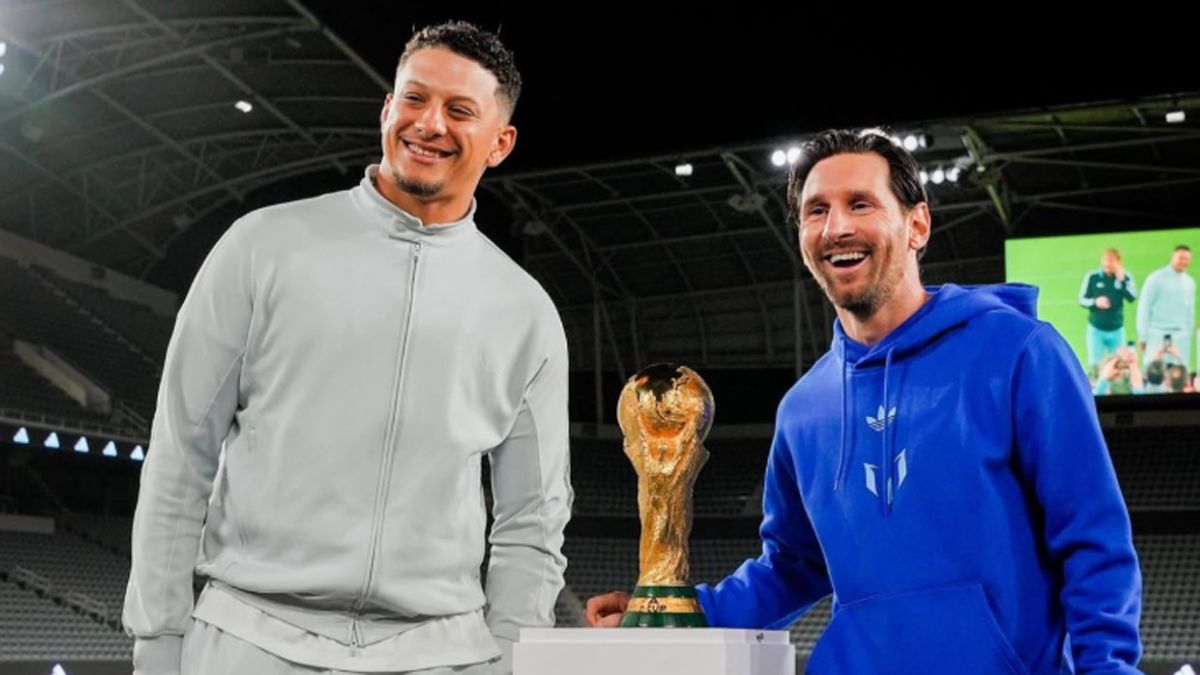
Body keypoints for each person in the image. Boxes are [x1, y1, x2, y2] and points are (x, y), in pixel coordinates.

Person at [586, 129, 1142, 673]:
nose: (837, 227)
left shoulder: (1019, 353)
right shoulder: (804, 409)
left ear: (916, 224)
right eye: (816, 210)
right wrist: (682, 610)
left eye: (860, 204)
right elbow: (795, 565)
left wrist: (1109, 668)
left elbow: (1091, 537)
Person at [124, 21, 571, 675]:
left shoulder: (525, 310)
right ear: (387, 108)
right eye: (414, 99)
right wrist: (158, 640)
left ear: (500, 143)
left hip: (440, 653)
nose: (429, 124)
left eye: (459, 110)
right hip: (249, 639)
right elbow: (179, 456)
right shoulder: (263, 246)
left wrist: (510, 659)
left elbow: (532, 519)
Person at [1137, 245, 1195, 371]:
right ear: (1173, 257)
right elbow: (1144, 306)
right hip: (1156, 333)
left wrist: (1188, 334)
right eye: (1181, 258)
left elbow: (1190, 311)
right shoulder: (1155, 278)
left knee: (1180, 375)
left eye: (1187, 259)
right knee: (1152, 372)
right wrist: (1143, 335)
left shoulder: (1190, 283)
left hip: (1180, 335)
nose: (1184, 261)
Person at [1078, 248, 1137, 367]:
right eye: (1105, 260)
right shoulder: (1092, 277)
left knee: (1118, 365)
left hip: (1117, 330)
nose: (1107, 264)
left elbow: (1132, 298)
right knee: (1095, 365)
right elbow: (1081, 300)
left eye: (1111, 261)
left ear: (1118, 261)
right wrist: (1095, 302)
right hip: (1096, 330)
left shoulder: (1125, 277)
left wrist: (1122, 282)